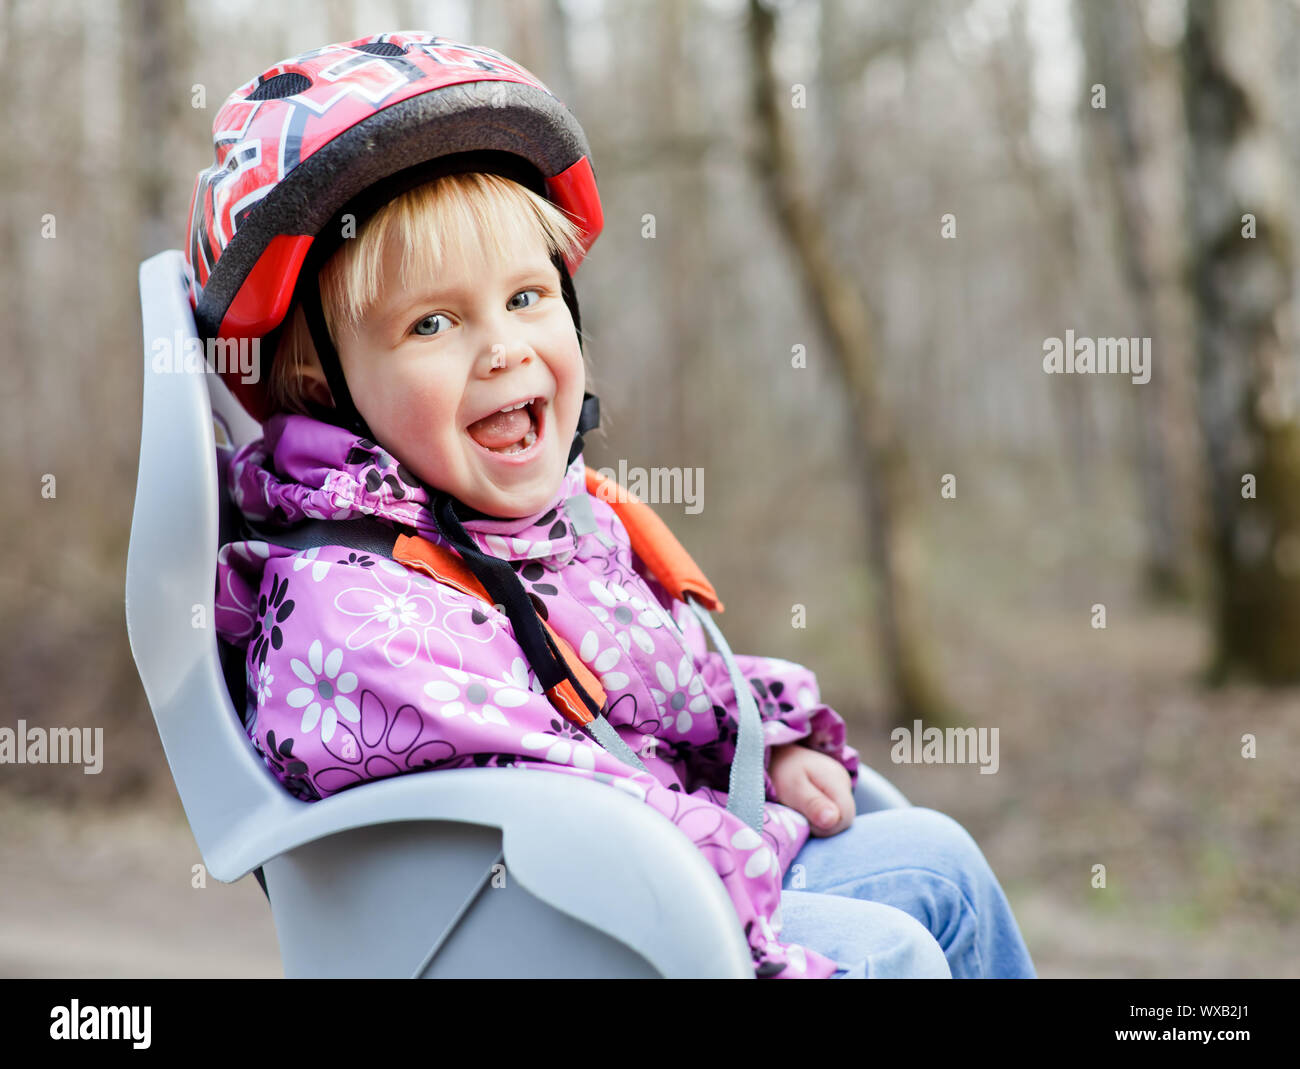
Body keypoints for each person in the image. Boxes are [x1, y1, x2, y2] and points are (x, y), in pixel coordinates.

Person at [198, 31, 1034, 979]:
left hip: (677, 876)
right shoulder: (351, 613)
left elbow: (649, 677)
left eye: (525, 295)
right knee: (893, 953)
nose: (504, 348)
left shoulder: (532, 536)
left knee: (945, 867)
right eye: (432, 322)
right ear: (323, 381)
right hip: (564, 933)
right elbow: (579, 815)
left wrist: (757, 737)